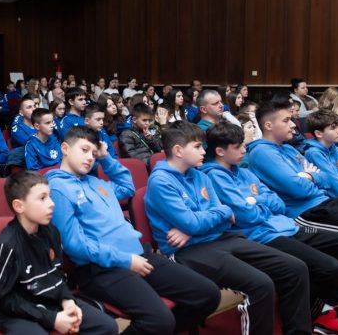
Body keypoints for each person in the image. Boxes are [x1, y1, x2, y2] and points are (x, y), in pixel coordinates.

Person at [47, 126, 220, 334]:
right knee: (159, 320)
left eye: (93, 152)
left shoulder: (94, 182)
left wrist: (105, 158)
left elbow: (127, 187)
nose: (90, 157)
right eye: (84, 150)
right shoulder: (58, 187)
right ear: (65, 148)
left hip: (138, 255)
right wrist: (125, 260)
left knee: (208, 294)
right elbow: (74, 245)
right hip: (101, 269)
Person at [146, 121, 312, 335]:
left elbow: (226, 218)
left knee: (295, 267)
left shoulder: (199, 175)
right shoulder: (161, 182)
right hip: (188, 250)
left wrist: (208, 219)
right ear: (178, 151)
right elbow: (199, 221)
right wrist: (215, 216)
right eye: (197, 146)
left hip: (221, 238)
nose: (203, 151)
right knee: (260, 284)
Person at [202, 121, 338, 332]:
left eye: (243, 144)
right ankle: (311, 318)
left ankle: (323, 309)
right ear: (220, 151)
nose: (244, 150)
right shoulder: (214, 176)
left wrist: (254, 200)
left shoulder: (244, 172)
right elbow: (245, 216)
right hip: (261, 235)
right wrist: (260, 204)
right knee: (324, 267)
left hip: (284, 225)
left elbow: (278, 203)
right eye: (238, 146)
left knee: (336, 252)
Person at [0, 171, 118, 335]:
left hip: (52, 300)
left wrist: (68, 300)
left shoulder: (52, 232)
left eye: (50, 196)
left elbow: (58, 275)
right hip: (17, 312)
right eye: (42, 198)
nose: (51, 204)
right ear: (19, 206)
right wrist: (52, 319)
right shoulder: (6, 245)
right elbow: (2, 300)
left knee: (108, 326)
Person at [248, 98, 338, 232]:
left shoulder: (289, 148)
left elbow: (326, 179)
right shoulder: (262, 152)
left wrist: (308, 176)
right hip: (306, 212)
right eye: (286, 120)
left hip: (325, 202)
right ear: (269, 126)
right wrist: (313, 176)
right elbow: (298, 189)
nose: (293, 125)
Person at [304, 110, 338, 197]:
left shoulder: (337, 150)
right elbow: (333, 182)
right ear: (318, 134)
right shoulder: (314, 153)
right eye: (333, 128)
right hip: (332, 198)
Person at [118, 103, 162, 167]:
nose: (147, 123)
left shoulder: (148, 131)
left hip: (154, 163)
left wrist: (150, 139)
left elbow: (158, 150)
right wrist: (151, 163)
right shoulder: (126, 134)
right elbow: (131, 157)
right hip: (144, 166)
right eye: (144, 120)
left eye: (149, 120)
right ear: (134, 120)